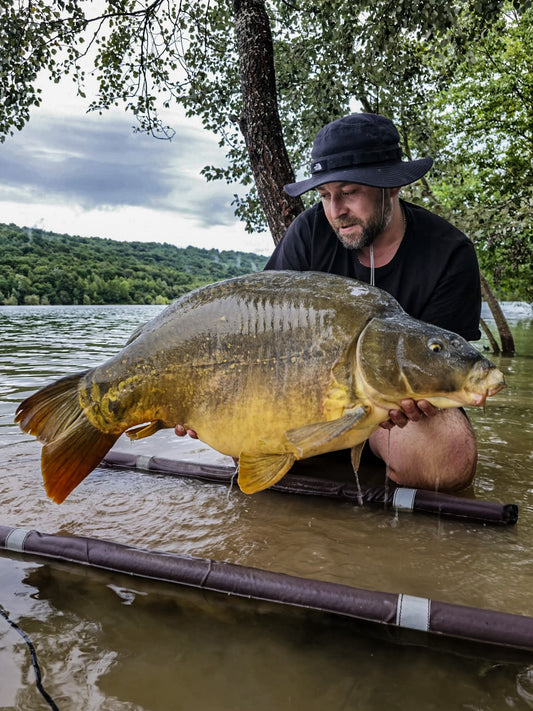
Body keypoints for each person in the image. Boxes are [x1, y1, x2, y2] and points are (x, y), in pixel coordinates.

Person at [177, 112, 482, 492]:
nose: (335, 211)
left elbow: (444, 362)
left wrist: (426, 399)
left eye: (349, 192)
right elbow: (257, 330)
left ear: (390, 187)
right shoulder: (308, 232)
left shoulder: (449, 253)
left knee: (448, 461)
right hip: (307, 397)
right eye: (324, 195)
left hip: (394, 417)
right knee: (240, 430)